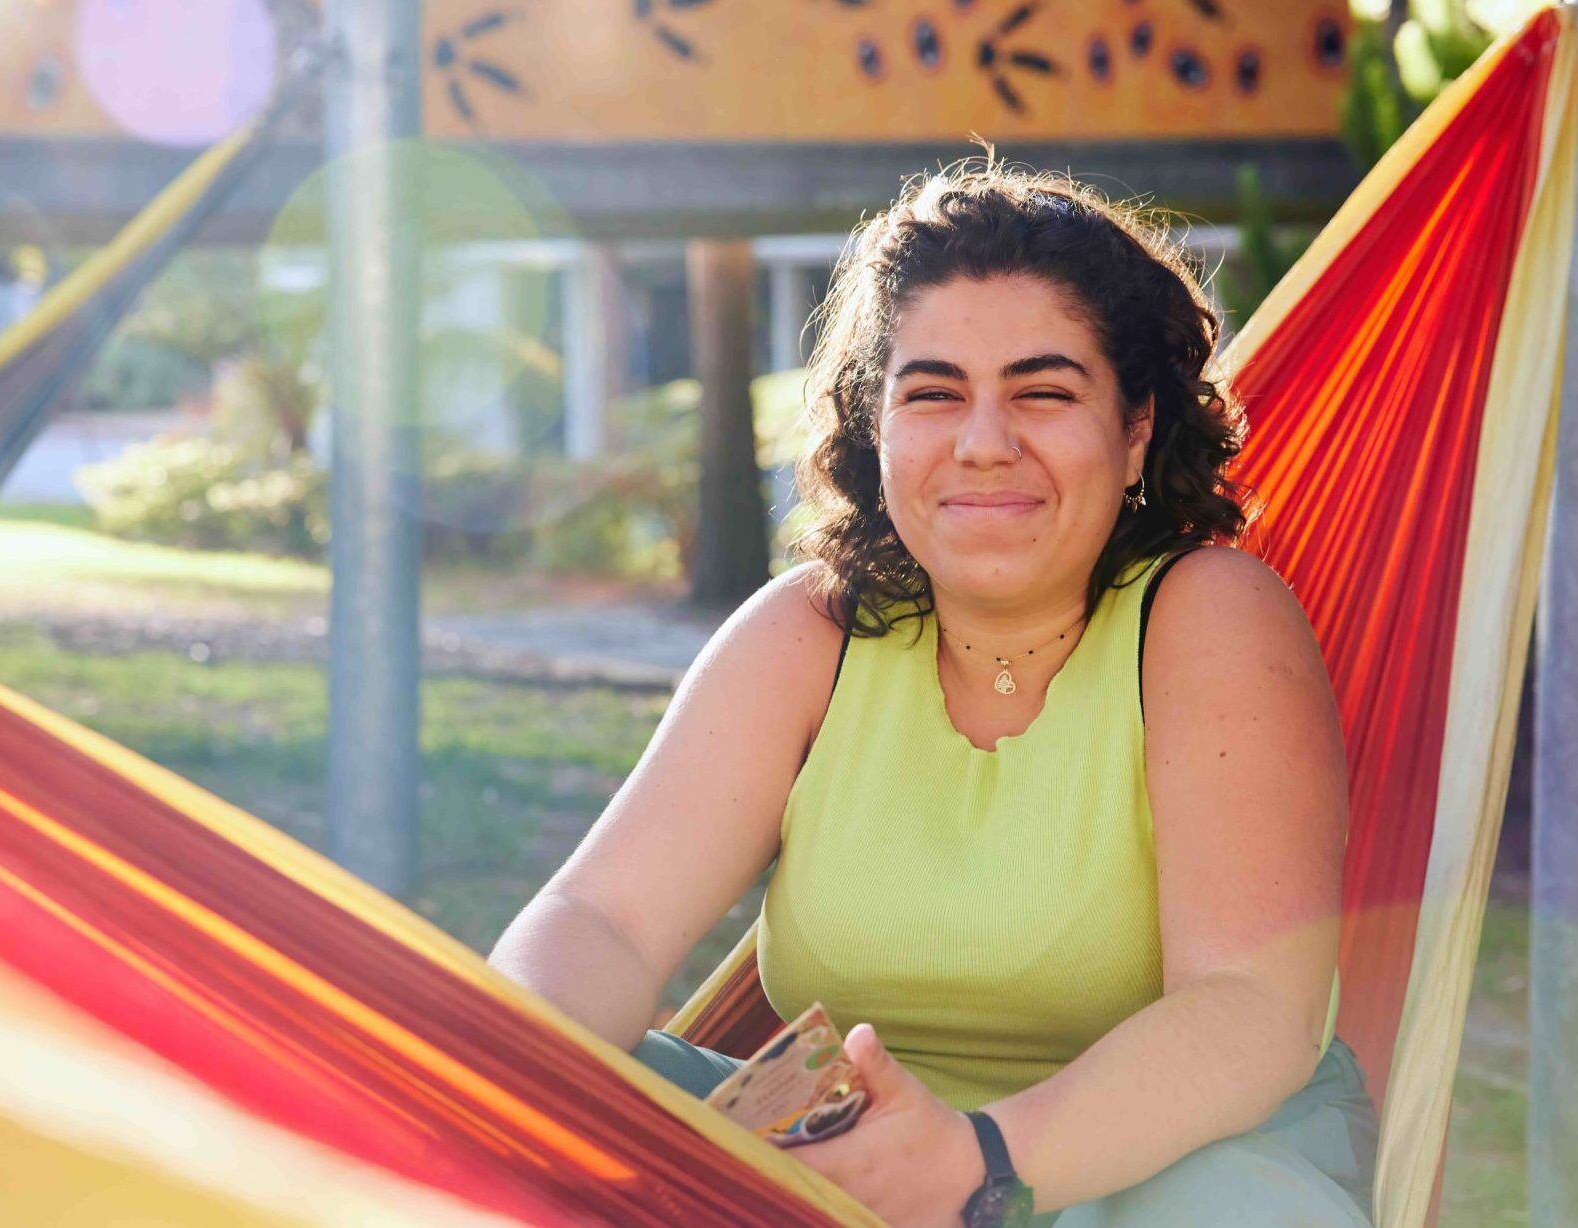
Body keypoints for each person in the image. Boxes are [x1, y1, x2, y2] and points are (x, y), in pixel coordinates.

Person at [488, 155, 1377, 1228]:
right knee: (531, 1125)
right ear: (876, 429)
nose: (984, 443)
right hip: (850, 1152)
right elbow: (601, 921)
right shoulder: (807, 635)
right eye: (934, 393)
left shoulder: (1208, 618)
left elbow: (1249, 1007)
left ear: (1136, 427)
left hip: (1173, 1165)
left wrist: (978, 1159)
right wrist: (511, 1065)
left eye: (1043, 392)